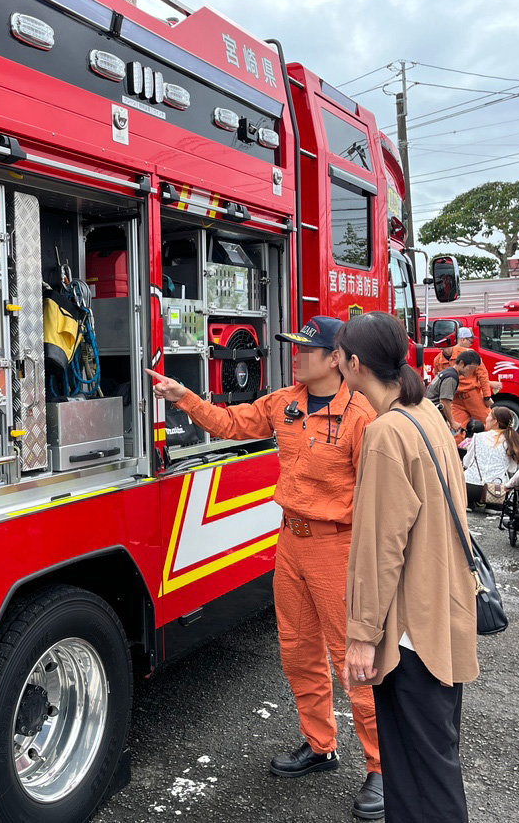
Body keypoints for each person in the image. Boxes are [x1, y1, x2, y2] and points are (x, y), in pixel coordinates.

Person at [146, 316, 384, 820]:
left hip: (337, 548)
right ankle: (320, 745)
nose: (295, 355)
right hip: (291, 542)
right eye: (293, 346)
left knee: (353, 661)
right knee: (298, 651)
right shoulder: (285, 402)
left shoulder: (362, 415)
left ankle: (384, 767)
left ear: (335, 358)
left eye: (305, 349)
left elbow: (377, 499)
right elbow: (232, 424)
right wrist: (183, 396)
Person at [335, 312, 479, 823]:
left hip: (409, 632)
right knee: (433, 761)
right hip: (442, 610)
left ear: (355, 364)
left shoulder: (386, 431)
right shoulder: (426, 414)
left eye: (338, 356)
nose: (335, 363)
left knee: (420, 776)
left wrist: (361, 636)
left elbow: (380, 548)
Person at [431, 327, 499, 432]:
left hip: (473, 396)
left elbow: (483, 375)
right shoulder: (438, 360)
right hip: (456, 400)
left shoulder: (468, 354)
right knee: (456, 430)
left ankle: (503, 441)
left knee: (491, 426)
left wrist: (486, 397)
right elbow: (438, 380)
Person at [461, 405, 519, 508]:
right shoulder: (511, 441)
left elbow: (466, 463)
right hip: (496, 491)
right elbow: (512, 469)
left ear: (495, 421)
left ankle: (469, 504)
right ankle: (492, 506)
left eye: (489, 416)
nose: (486, 418)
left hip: (469, 488)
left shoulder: (477, 437)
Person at [426, 350, 481, 437]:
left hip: (430, 413)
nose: (472, 372)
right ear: (461, 363)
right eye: (471, 368)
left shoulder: (447, 372)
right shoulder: (451, 377)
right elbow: (444, 402)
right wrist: (452, 422)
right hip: (432, 415)